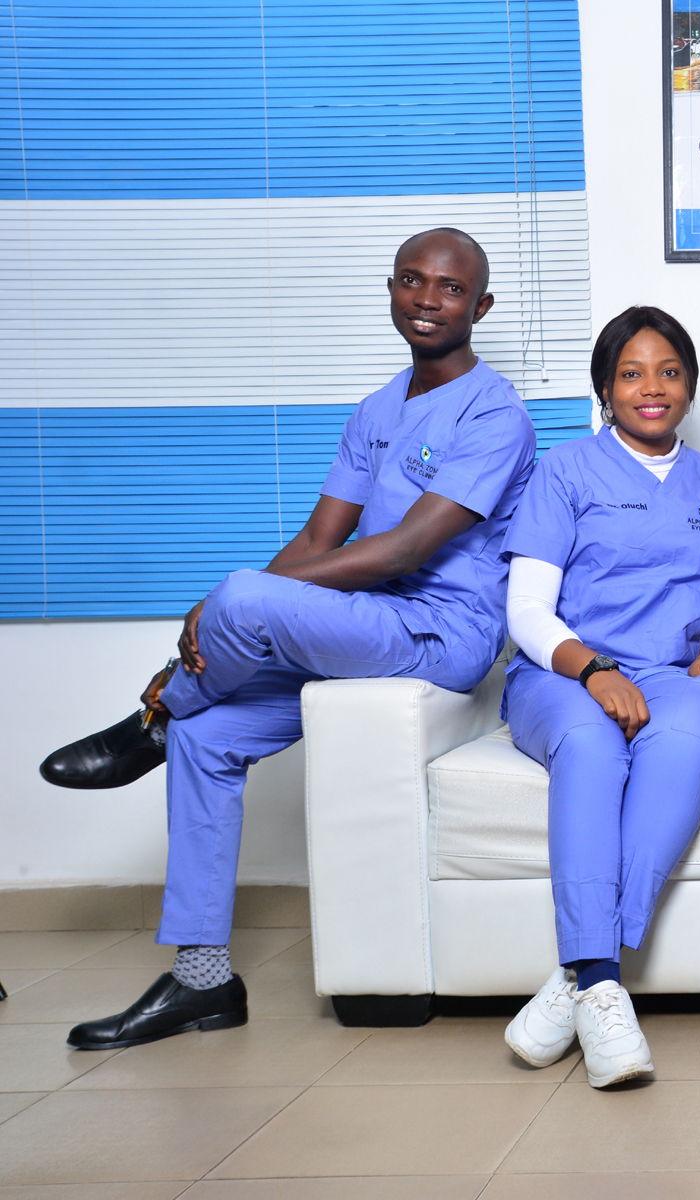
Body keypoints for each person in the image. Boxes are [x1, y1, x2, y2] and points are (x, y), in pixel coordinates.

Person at [41, 228, 538, 1050]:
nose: (427, 299)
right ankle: (202, 981)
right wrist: (232, 607)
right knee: (209, 734)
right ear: (390, 290)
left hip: (438, 634)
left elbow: (406, 550)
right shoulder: (376, 410)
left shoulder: (497, 413)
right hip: (358, 626)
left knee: (238, 602)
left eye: (450, 289)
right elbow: (317, 540)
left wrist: (239, 601)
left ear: (479, 307)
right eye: (412, 281)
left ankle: (150, 723)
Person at [498, 307, 700, 1088]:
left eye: (669, 371)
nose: (652, 388)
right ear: (605, 388)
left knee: (687, 745)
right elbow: (527, 609)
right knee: (596, 748)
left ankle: (576, 980)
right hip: (564, 674)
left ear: (691, 385)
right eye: (632, 373)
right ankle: (602, 980)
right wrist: (594, 668)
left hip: (675, 677)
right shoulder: (565, 472)